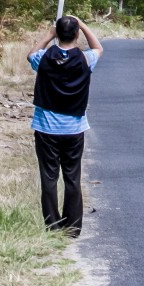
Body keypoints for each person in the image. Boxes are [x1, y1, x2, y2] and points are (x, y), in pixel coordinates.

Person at [28, 14, 103, 235]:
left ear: (57, 34)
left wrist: (48, 35)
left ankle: (52, 225)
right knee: (72, 177)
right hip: (74, 129)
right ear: (77, 35)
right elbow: (98, 48)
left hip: (46, 128)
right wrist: (83, 25)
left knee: (49, 177)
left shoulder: (44, 58)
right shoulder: (85, 59)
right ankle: (72, 227)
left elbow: (30, 54)